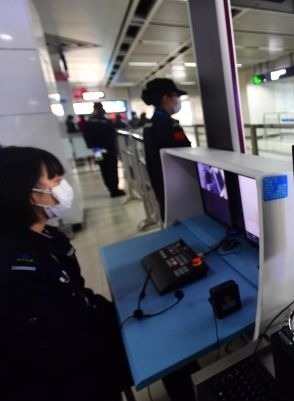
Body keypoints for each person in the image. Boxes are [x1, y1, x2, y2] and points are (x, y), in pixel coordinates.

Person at [0, 146, 132, 401]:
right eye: (54, 179)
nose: (63, 184)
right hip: (67, 377)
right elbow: (53, 345)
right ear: (30, 194)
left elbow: (76, 293)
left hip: (81, 338)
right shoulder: (16, 269)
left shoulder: (49, 236)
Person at [141, 78, 191, 219]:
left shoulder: (150, 124)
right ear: (166, 98)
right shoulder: (169, 125)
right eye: (176, 96)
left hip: (159, 183)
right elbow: (184, 152)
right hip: (175, 186)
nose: (178, 100)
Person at [82, 103, 126, 197]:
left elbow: (86, 135)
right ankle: (115, 189)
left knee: (103, 168)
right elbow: (112, 135)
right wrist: (106, 146)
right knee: (112, 168)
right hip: (109, 149)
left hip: (97, 150)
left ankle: (110, 188)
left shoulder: (89, 122)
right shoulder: (106, 121)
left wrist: (93, 146)